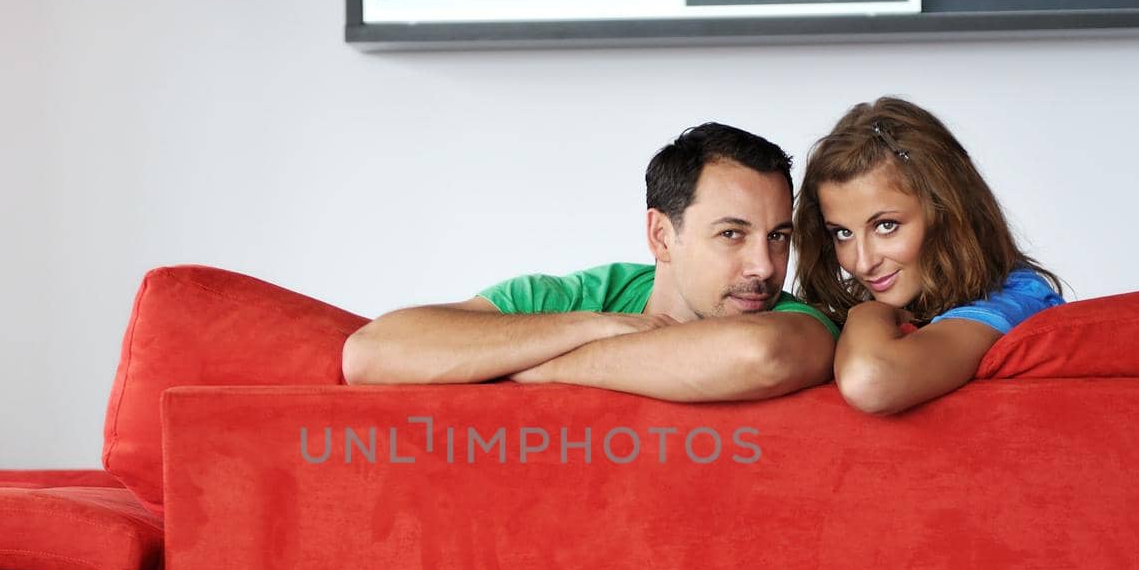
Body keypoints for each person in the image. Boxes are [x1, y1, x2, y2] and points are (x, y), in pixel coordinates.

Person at [341, 123, 838, 403]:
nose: (765, 267)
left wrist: (520, 363)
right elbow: (370, 353)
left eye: (777, 237)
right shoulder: (582, 300)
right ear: (662, 236)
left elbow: (759, 357)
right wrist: (591, 326)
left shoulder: (798, 324)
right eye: (732, 234)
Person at [792, 97, 1065, 415]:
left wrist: (867, 313)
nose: (862, 262)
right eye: (842, 233)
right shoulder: (902, 302)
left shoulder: (1016, 301)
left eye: (886, 226)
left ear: (947, 214)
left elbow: (870, 381)